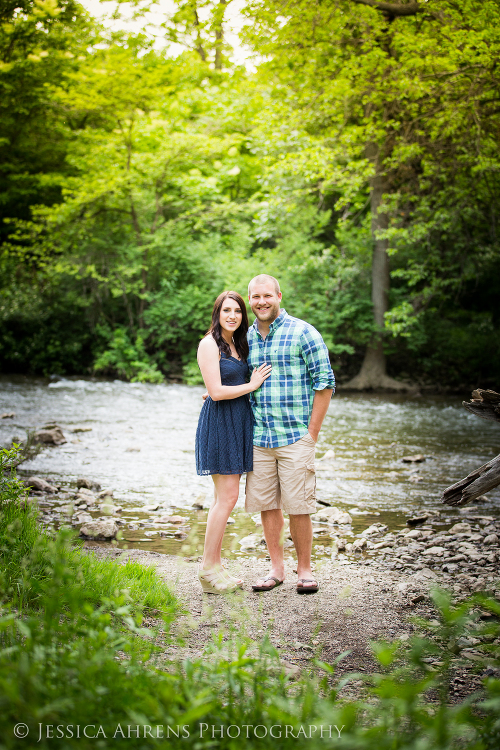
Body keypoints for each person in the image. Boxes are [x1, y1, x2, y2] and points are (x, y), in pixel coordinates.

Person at [245, 274, 335, 594]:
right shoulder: (246, 338)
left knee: (299, 506)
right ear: (250, 299)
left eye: (267, 296)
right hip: (259, 438)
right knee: (267, 505)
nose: (261, 302)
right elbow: (239, 382)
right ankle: (276, 569)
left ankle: (305, 570)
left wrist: (311, 434)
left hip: (295, 436)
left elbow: (324, 383)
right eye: (255, 297)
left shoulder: (303, 332)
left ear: (279, 296)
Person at [195, 290, 272, 594]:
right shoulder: (209, 344)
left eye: (237, 311)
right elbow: (215, 392)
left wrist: (242, 387)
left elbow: (223, 384)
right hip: (220, 424)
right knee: (225, 499)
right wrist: (251, 385)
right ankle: (207, 570)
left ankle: (215, 565)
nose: (232, 315)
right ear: (218, 313)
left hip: (239, 422)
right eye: (226, 310)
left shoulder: (237, 343)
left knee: (224, 498)